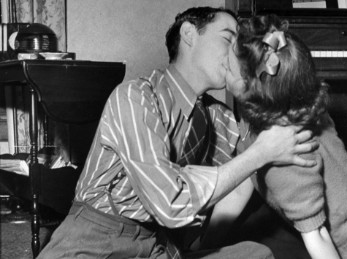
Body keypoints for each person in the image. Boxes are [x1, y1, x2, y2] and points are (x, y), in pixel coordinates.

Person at [37, 7, 319, 259]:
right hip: (98, 239)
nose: (236, 53)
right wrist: (260, 153)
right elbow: (170, 202)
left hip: (158, 245)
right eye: (227, 39)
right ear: (189, 34)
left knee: (257, 254)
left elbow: (256, 163)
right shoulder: (136, 97)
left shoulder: (221, 118)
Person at [219, 14, 347, 259]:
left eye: (228, 66)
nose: (222, 61)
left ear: (251, 87)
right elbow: (241, 186)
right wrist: (199, 247)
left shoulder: (288, 160)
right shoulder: (290, 100)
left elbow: (318, 238)